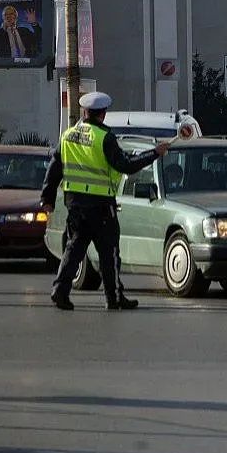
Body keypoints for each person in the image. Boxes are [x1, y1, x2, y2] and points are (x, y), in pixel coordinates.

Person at [40, 92, 170, 311]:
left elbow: (54, 171)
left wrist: (47, 199)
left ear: (84, 112)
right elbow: (125, 165)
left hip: (75, 203)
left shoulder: (67, 136)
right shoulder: (104, 137)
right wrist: (154, 153)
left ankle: (60, 290)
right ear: (103, 114)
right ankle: (114, 297)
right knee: (109, 253)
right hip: (100, 205)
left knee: (74, 250)